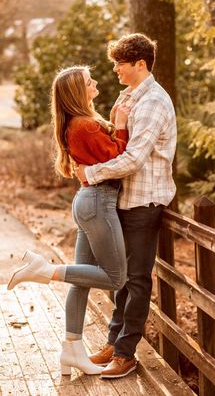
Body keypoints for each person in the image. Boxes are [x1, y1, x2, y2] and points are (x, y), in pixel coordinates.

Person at [7, 65, 130, 376]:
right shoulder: (85, 125)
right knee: (116, 278)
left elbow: (102, 154)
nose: (96, 83)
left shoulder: (77, 123)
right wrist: (122, 125)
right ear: (78, 91)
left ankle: (71, 351)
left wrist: (112, 122)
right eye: (90, 82)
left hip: (87, 200)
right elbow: (118, 157)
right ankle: (45, 269)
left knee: (80, 280)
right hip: (98, 202)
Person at [75, 33, 177, 379]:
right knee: (120, 277)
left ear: (140, 64)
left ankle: (126, 353)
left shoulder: (153, 103)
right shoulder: (129, 96)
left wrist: (91, 173)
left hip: (143, 201)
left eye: (120, 63)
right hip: (122, 198)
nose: (115, 69)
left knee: (135, 279)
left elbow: (132, 159)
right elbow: (115, 143)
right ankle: (114, 342)